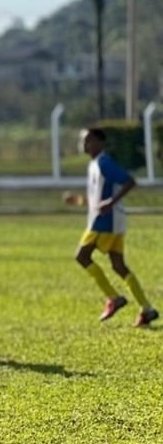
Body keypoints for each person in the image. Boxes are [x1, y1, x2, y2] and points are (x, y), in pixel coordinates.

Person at [64, 127, 158, 327]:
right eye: (83, 141)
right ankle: (146, 309)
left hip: (104, 221)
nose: (85, 144)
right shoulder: (95, 164)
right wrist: (79, 201)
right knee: (118, 266)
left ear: (100, 143)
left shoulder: (104, 163)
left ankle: (113, 298)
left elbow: (130, 181)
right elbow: (98, 199)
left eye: (89, 140)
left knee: (82, 256)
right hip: (114, 220)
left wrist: (111, 202)